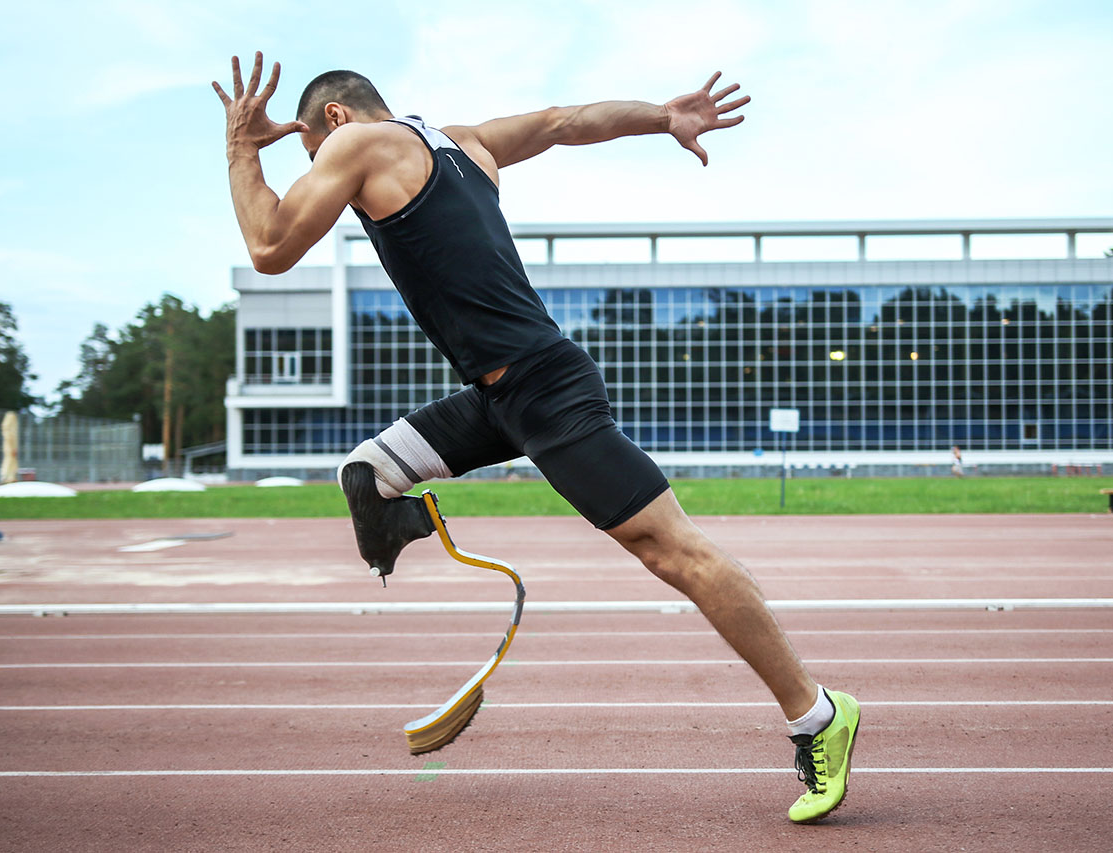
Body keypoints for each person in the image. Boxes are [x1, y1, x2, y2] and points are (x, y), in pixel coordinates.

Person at [213, 52, 859, 823]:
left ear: (337, 120)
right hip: (499, 397)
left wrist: (242, 149)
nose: (327, 180)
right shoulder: (462, 142)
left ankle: (818, 712)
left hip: (543, 390)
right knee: (369, 473)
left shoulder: (359, 143)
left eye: (314, 158)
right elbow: (562, 123)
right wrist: (661, 116)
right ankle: (419, 521)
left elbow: (269, 246)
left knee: (672, 550)